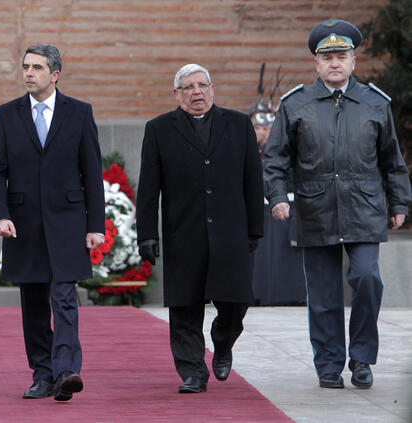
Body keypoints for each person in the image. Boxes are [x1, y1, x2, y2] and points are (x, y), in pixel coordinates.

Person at [263, 19, 411, 389]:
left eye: (341, 56)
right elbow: (275, 158)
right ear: (316, 63)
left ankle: (361, 359)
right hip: (316, 210)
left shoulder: (375, 104)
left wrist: (400, 202)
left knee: (366, 279)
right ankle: (329, 364)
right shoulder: (296, 105)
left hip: (364, 207)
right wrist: (278, 197)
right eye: (327, 57)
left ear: (353, 61)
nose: (334, 63)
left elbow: (392, 159)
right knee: (325, 293)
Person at [0, 44, 104, 401]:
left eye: (37, 67)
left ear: (55, 75)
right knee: (34, 302)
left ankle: (66, 370)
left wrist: (95, 224)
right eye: (25, 67)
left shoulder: (80, 113)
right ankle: (43, 373)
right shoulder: (6, 115)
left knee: (64, 296)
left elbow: (91, 172)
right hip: (22, 224)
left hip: (67, 222)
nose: (28, 73)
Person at [136, 64, 264, 393]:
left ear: (212, 89)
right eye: (188, 87)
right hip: (184, 233)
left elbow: (253, 179)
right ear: (177, 94)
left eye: (202, 85)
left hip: (230, 232)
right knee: (185, 305)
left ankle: (222, 344)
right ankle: (193, 371)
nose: (197, 92)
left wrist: (255, 229)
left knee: (236, 302)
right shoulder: (159, 129)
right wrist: (147, 234)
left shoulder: (238, 125)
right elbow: (149, 188)